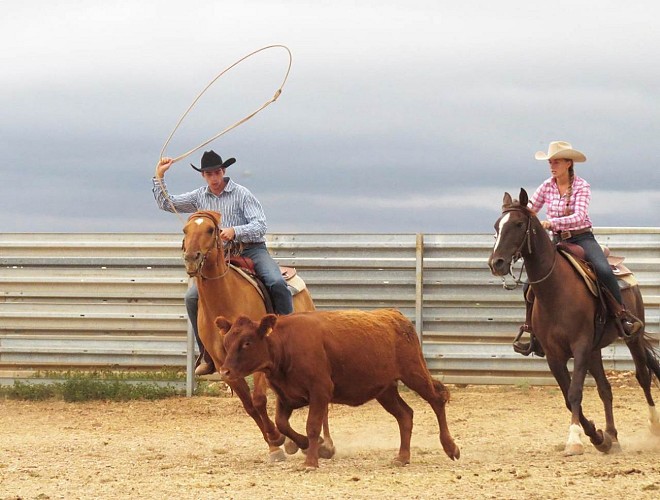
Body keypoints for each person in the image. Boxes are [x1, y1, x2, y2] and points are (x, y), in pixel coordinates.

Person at [152, 150, 293, 375]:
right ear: (204, 176)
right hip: (219, 258)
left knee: (276, 282)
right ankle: (207, 353)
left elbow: (260, 225)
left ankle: (290, 338)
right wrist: (159, 178)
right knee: (191, 298)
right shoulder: (200, 196)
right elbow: (169, 204)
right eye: (208, 174)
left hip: (251, 250)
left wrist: (234, 231)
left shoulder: (242, 193)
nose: (214, 177)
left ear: (223, 171)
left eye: (217, 172)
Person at [512, 141, 644, 356]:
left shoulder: (582, 186)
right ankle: (532, 331)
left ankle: (622, 317)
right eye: (550, 162)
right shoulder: (546, 186)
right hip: (556, 241)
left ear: (568, 163)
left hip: (582, 238)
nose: (552, 166)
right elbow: (530, 209)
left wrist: (551, 222)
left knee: (602, 270)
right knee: (530, 284)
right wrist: (516, 213)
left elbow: (579, 216)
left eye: (556, 161)